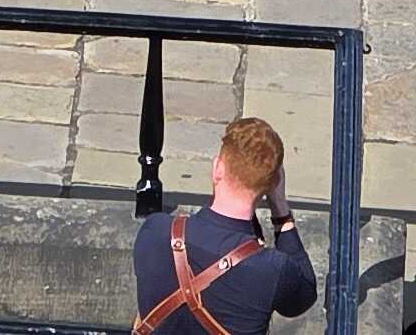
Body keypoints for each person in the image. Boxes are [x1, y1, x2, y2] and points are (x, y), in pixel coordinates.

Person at [134, 119, 320, 335]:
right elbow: (303, 296)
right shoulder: (272, 268)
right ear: (273, 184)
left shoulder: (155, 231)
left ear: (217, 168)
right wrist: (281, 210)